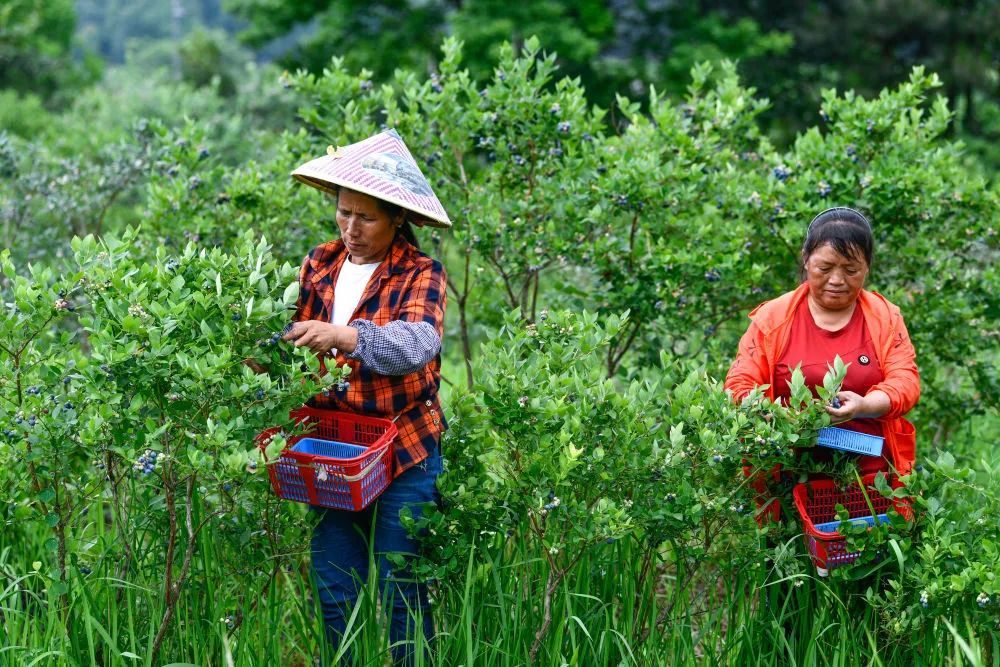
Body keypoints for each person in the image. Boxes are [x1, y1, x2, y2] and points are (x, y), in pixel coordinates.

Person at [283, 129, 450, 666]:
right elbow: (291, 336)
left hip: (405, 449)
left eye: (367, 218)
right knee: (335, 590)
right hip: (336, 450)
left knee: (401, 590)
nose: (351, 228)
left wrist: (343, 336)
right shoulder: (320, 263)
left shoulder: (421, 273)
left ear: (397, 218)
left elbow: (417, 344)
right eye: (343, 212)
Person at [725, 207, 920, 487]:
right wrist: (768, 410)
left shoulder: (884, 317)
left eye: (851, 270)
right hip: (787, 475)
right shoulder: (773, 319)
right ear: (806, 261)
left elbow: (905, 381)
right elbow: (739, 383)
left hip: (871, 477)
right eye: (825, 268)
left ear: (867, 267)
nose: (837, 280)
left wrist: (864, 405)